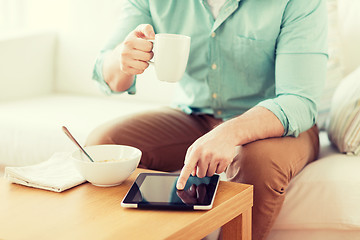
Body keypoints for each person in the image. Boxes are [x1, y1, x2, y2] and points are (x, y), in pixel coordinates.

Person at [87, 0, 328, 239]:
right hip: (194, 114)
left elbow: (299, 100)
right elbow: (108, 77)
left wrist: (229, 133)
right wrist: (123, 58)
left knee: (257, 161)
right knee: (103, 145)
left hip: (275, 124)